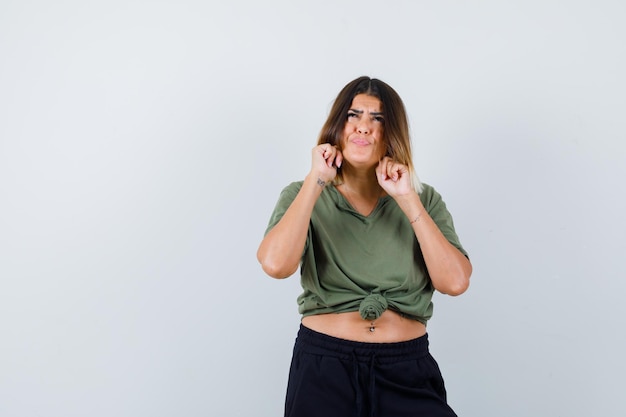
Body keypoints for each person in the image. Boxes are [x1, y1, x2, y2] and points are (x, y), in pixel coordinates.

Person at [257, 76, 472, 417]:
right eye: (353, 116)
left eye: (378, 119)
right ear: (337, 126)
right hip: (325, 369)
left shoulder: (423, 199)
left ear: (391, 133)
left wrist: (406, 199)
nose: (363, 127)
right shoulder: (302, 194)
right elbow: (274, 264)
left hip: (405, 369)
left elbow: (456, 282)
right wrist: (316, 181)